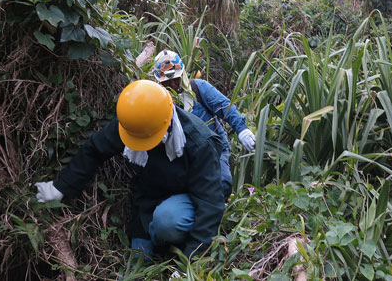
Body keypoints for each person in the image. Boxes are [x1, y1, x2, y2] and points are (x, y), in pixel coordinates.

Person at [35, 80, 225, 260]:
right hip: (151, 198)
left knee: (167, 221)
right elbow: (95, 149)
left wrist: (190, 263)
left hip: (192, 197)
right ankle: (157, 239)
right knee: (137, 262)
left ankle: (171, 245)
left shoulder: (198, 144)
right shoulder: (135, 121)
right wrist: (60, 187)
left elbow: (210, 206)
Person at [152, 50, 255, 200]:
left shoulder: (198, 88)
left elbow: (224, 106)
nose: (174, 85)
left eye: (176, 79)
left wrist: (242, 129)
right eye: (168, 82)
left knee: (222, 184)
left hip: (214, 150)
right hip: (182, 158)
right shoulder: (156, 101)